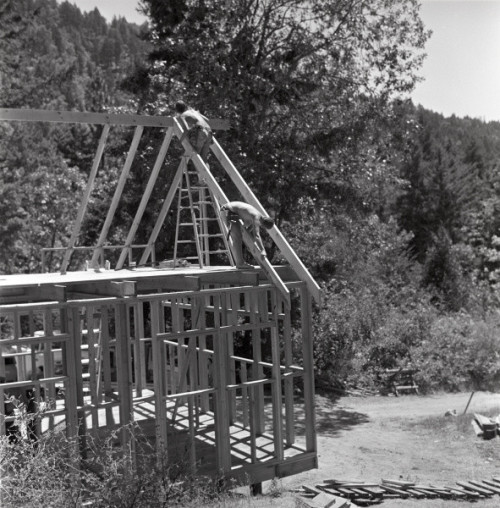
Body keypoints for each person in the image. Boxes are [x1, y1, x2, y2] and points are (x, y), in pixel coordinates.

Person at [220, 201, 274, 268]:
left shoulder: (255, 216)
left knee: (238, 236)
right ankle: (240, 264)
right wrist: (263, 250)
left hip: (228, 210)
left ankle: (240, 263)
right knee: (237, 237)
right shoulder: (257, 218)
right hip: (228, 211)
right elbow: (257, 236)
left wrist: (250, 244)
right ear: (263, 225)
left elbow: (247, 230)